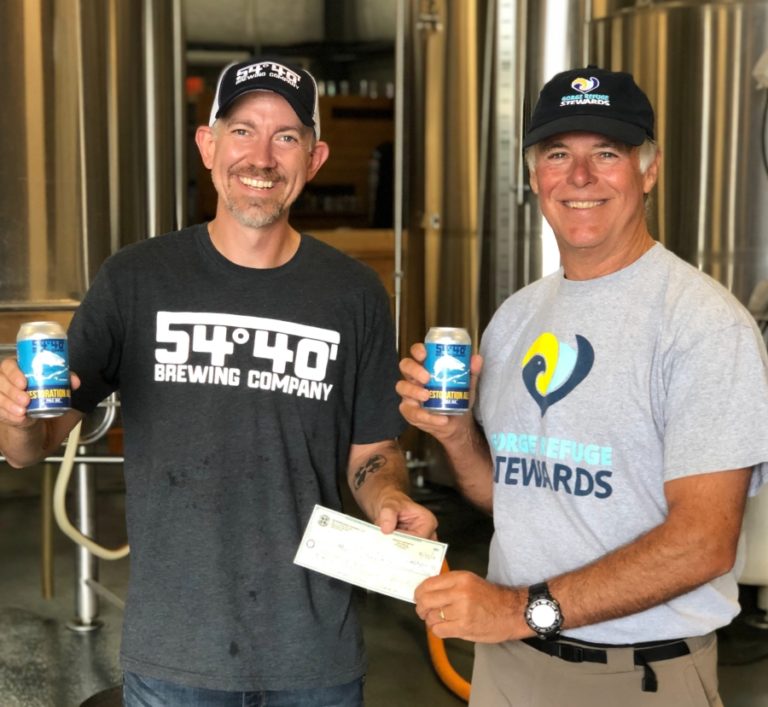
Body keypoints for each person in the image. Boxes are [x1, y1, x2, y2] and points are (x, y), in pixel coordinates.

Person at [0, 57, 436, 707]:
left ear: (313, 159)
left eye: (286, 136)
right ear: (208, 145)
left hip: (314, 654)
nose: (261, 156)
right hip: (176, 654)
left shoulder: (353, 293)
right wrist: (15, 417)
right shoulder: (137, 278)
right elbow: (34, 443)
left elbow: (372, 452)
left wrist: (390, 501)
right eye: (242, 130)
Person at [398, 65, 768, 706]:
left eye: (606, 153)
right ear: (535, 175)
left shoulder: (704, 325)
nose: (580, 177)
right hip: (506, 669)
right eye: (558, 154)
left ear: (647, 171)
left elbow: (704, 544)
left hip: (638, 678)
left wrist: (519, 611)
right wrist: (457, 438)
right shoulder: (515, 319)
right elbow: (514, 497)